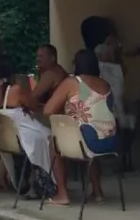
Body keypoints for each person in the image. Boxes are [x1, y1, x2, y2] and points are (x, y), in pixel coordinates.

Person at [43, 50, 117, 206]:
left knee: (53, 142)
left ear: (76, 65)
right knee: (89, 133)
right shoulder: (105, 83)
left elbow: (48, 110)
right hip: (109, 141)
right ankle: (97, 192)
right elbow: (88, 102)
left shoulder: (73, 83)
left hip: (87, 142)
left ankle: (62, 194)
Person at [0, 59, 55, 199]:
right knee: (49, 137)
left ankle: (32, 180)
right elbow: (33, 105)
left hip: (7, 137)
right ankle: (47, 181)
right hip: (22, 132)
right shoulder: (16, 89)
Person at [95, 42, 136, 171]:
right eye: (108, 54)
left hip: (108, 114)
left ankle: (121, 156)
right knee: (127, 125)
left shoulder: (112, 70)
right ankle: (121, 156)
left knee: (129, 123)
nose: (111, 57)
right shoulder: (104, 70)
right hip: (108, 116)